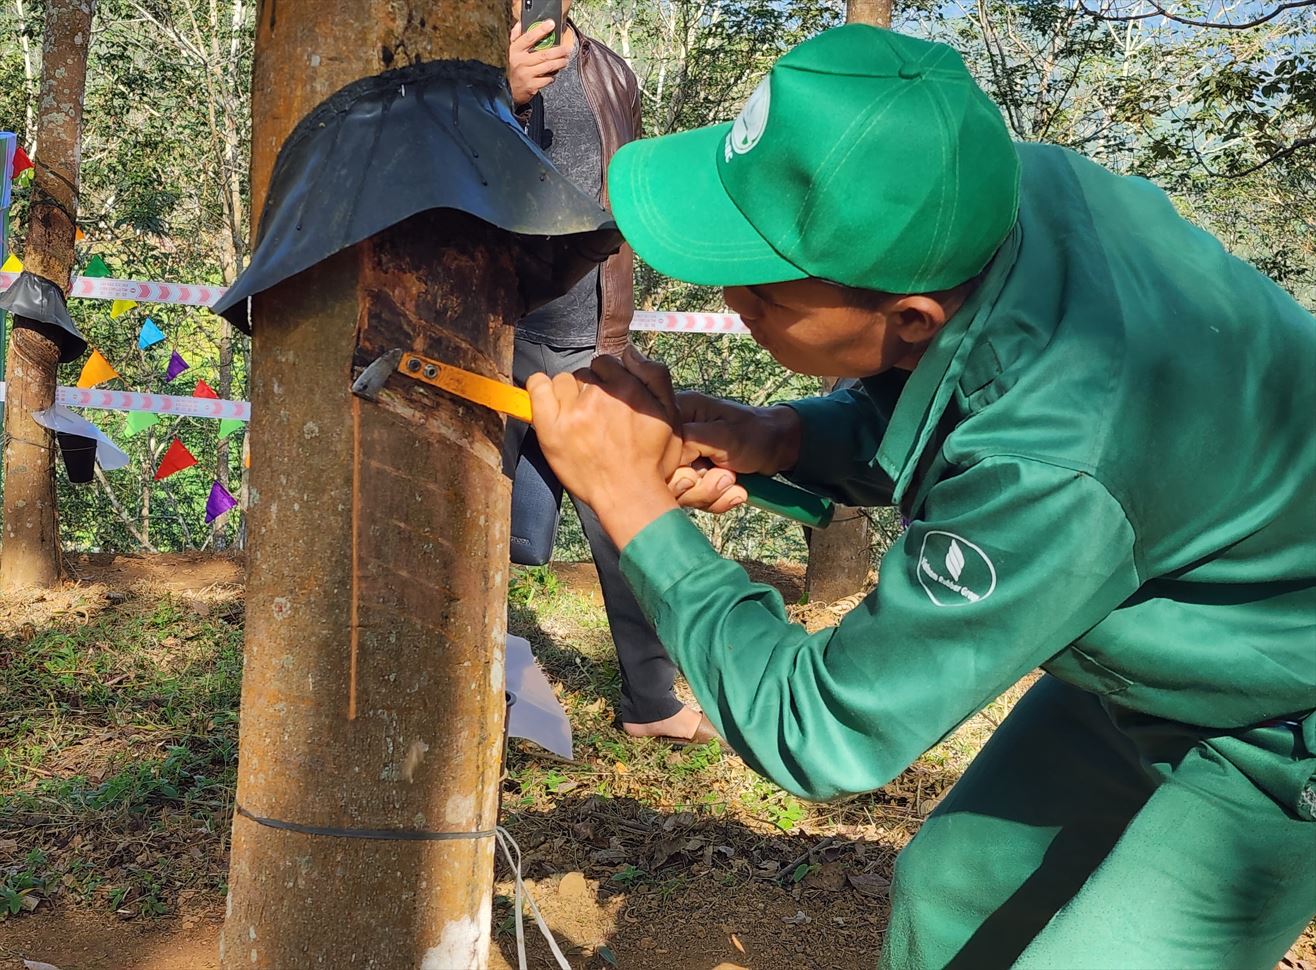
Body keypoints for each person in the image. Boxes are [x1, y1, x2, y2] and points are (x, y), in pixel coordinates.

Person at [524, 24, 1316, 969]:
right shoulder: (990, 193)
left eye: (762, 293)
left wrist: (630, 505)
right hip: (1167, 630)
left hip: (1280, 721)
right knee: (951, 891)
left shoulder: (1055, 463)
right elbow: (962, 386)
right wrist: (779, 436)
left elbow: (821, 728)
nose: (728, 295)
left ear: (906, 317)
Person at [503, 4, 715, 743]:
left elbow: (621, 202)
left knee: (626, 517)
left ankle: (651, 703)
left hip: (595, 334)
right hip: (499, 330)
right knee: (484, 529)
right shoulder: (475, 54)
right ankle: (480, 692)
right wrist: (505, 91)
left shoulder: (609, 70)